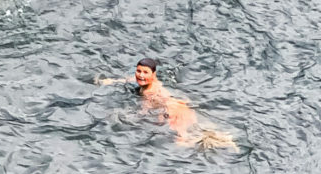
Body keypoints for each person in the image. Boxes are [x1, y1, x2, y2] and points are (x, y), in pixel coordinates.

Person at [97, 58, 236, 150]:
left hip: (173, 110)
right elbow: (128, 80)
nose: (141, 75)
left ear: (154, 74)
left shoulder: (151, 92)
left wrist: (136, 117)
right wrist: (110, 81)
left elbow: (149, 109)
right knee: (195, 131)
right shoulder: (142, 81)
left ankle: (222, 143)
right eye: (139, 71)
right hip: (177, 105)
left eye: (145, 72)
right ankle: (221, 139)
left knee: (183, 141)